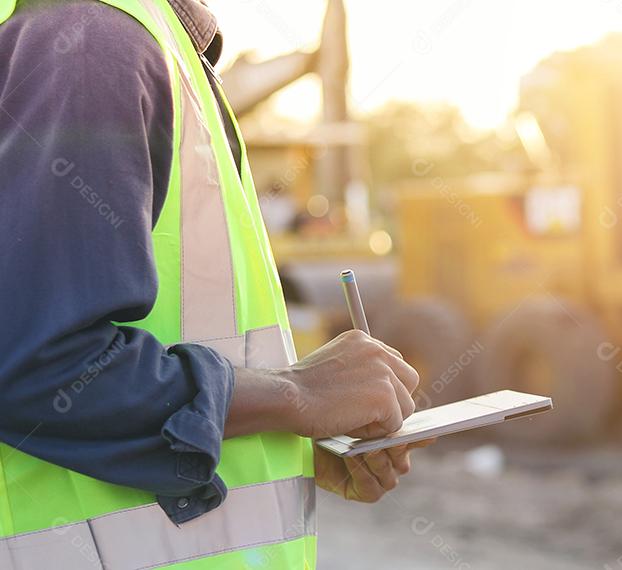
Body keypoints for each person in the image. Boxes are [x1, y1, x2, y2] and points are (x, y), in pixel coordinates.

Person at [0, 0, 428, 567]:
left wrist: (286, 432)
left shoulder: (144, 44)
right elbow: (38, 365)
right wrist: (299, 393)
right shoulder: (90, 41)